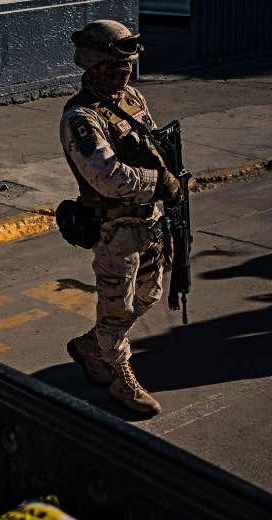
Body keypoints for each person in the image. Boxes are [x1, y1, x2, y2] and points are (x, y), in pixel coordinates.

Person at [60, 19, 180, 415]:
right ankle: (119, 375)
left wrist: (167, 180)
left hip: (150, 220)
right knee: (117, 307)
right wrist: (158, 181)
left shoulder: (130, 98)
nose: (125, 72)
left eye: (128, 65)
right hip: (116, 229)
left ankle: (92, 346)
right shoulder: (81, 118)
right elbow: (108, 177)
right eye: (116, 66)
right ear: (92, 66)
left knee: (150, 294)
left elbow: (151, 144)